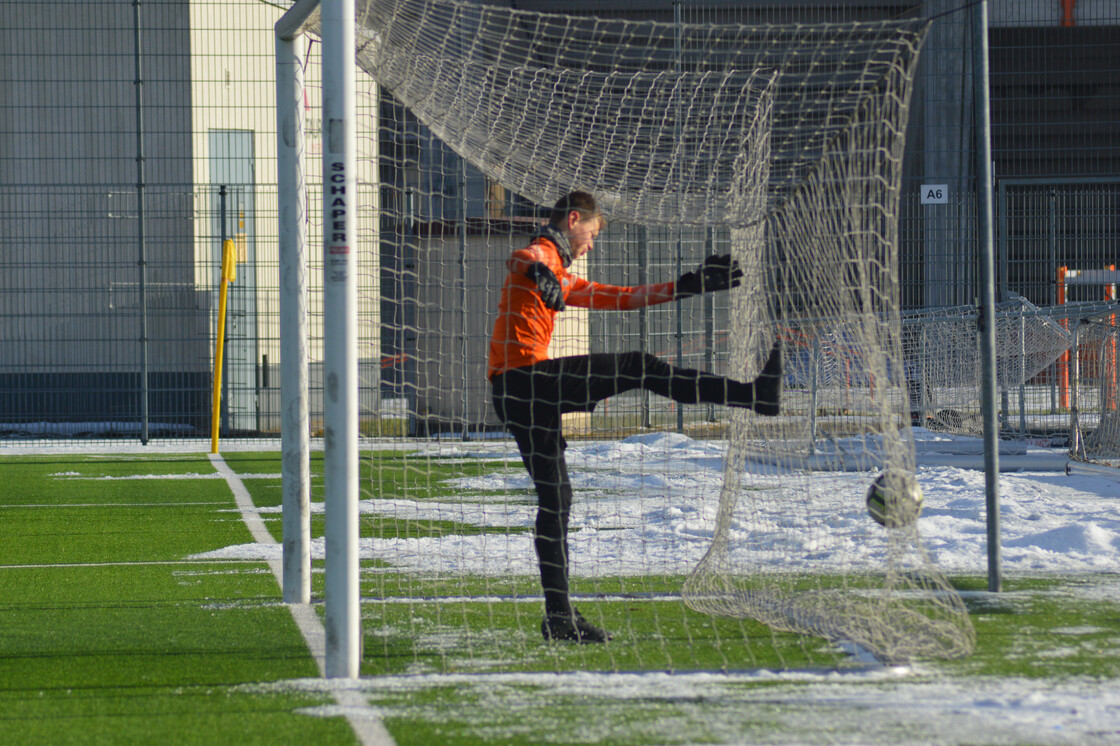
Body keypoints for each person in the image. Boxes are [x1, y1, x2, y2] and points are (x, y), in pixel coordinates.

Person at [488, 191, 782, 644]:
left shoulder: (561, 275)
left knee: (558, 501)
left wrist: (687, 285)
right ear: (573, 220)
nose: (591, 245)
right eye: (592, 233)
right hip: (526, 382)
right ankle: (751, 394)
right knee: (639, 366)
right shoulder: (543, 256)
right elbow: (521, 258)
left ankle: (559, 618)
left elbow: (623, 298)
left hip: (518, 395)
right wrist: (536, 271)